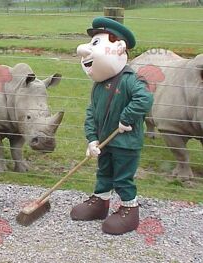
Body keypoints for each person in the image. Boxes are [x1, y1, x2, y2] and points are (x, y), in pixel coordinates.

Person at [70, 17, 153, 235]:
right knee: (104, 173)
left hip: (126, 143)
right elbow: (91, 113)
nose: (85, 51)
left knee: (123, 178)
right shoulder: (98, 86)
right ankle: (101, 202)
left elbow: (144, 99)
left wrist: (126, 118)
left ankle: (129, 209)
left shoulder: (130, 80)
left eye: (96, 44)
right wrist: (92, 139)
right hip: (105, 142)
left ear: (119, 48)